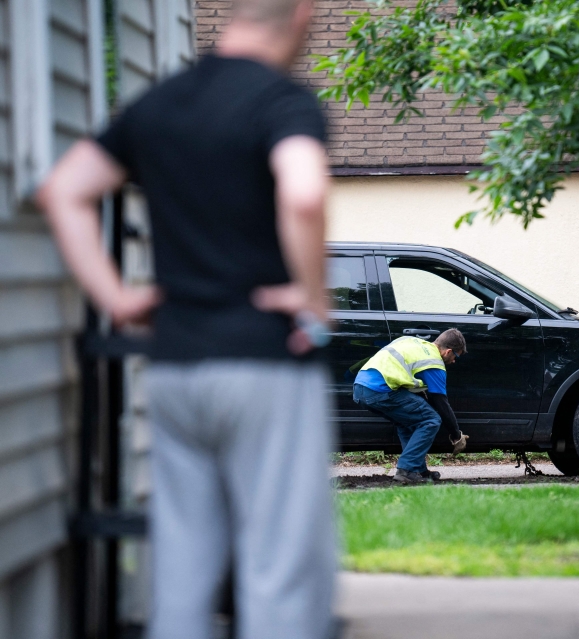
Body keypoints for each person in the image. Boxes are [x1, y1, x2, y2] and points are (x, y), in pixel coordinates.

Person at [37, 1, 336, 637]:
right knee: (278, 569)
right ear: (302, 15)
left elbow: (64, 191)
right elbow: (304, 192)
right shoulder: (282, 102)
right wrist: (312, 296)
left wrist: (117, 297)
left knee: (182, 570)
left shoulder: (158, 104)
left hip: (175, 369)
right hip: (265, 364)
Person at [354, 329, 469, 484]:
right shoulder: (434, 362)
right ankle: (406, 470)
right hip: (380, 390)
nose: (454, 361)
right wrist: (456, 435)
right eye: (456, 356)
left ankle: (418, 471)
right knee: (431, 419)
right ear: (448, 352)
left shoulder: (412, 342)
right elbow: (441, 403)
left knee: (408, 423)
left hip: (360, 388)